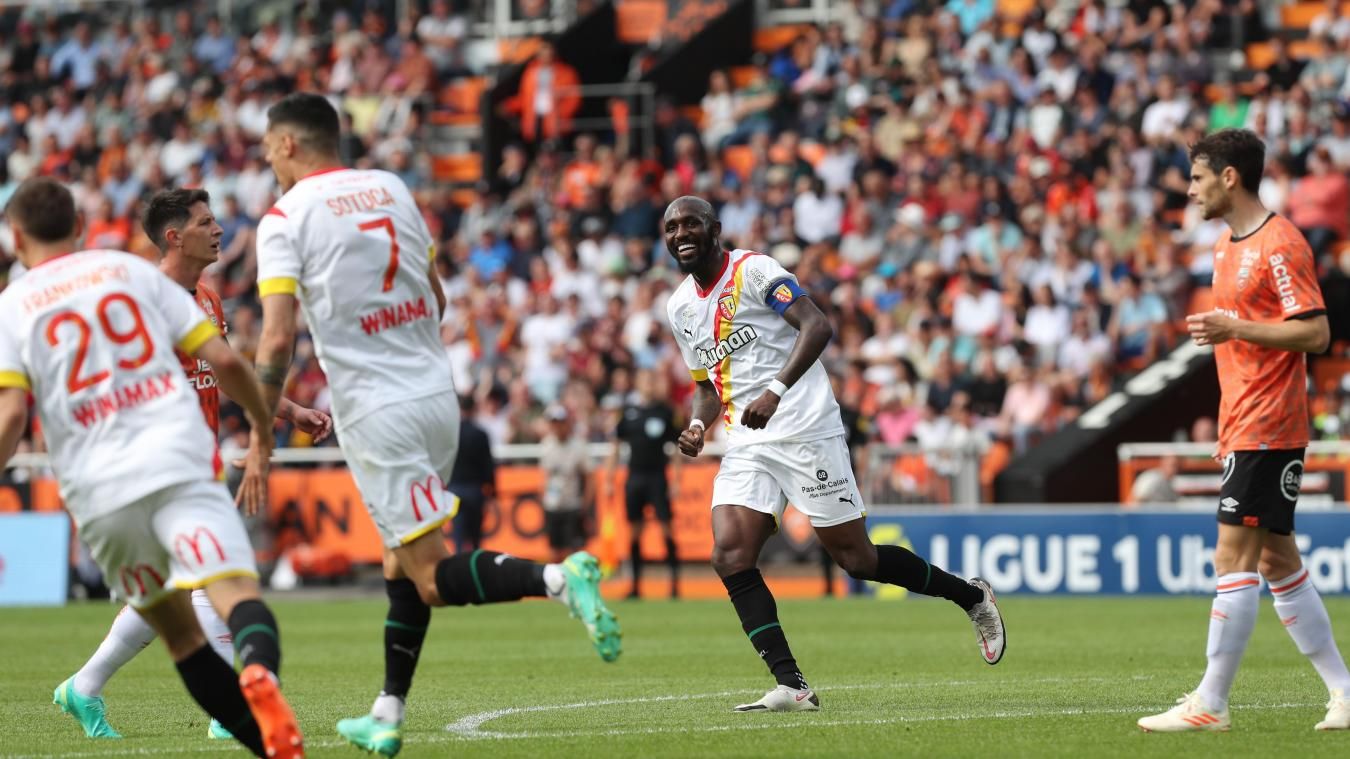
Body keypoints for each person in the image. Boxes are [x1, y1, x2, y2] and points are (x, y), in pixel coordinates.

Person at [251, 93, 620, 757]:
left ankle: (560, 579)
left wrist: (259, 431)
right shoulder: (390, 187)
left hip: (375, 407)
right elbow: (438, 295)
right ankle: (387, 710)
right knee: (400, 557)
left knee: (427, 573)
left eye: (266, 149)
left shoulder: (283, 219)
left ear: (286, 146)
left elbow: (276, 341)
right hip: (434, 393)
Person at [662, 195, 1006, 713]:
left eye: (691, 223)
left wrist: (775, 390)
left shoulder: (754, 271)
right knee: (729, 555)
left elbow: (817, 325)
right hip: (747, 440)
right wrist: (694, 425)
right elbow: (707, 386)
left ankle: (971, 597)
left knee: (857, 559)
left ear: (715, 230)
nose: (680, 233)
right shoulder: (679, 307)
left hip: (805, 429)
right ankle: (793, 685)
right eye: (670, 227)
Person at [0, 177, 303, 758]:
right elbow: (226, 362)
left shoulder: (15, 306)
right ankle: (245, 701)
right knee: (220, 588)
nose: (217, 230)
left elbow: (12, 413)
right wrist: (266, 429)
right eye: (204, 222)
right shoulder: (135, 279)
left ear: (15, 237)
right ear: (82, 228)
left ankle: (84, 686)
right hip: (175, 454)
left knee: (168, 604)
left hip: (99, 482)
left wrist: (283, 410)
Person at [1139, 128, 1350, 732]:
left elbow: (1315, 333)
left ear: (1230, 177)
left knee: (1233, 554)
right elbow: (1246, 348)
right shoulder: (1227, 247)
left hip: (1270, 423)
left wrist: (1236, 330)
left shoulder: (1280, 244)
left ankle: (1211, 700)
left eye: (1199, 177)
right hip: (1246, 422)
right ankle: (1343, 690)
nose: (1192, 189)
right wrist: (1230, 419)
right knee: (1278, 560)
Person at [606, 368, 680, 599]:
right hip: (635, 477)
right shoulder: (628, 413)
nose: (648, 383)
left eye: (651, 379)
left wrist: (676, 479)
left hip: (657, 477)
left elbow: (676, 449)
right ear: (637, 383)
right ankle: (636, 586)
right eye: (644, 379)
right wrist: (609, 478)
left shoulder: (665, 412)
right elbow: (616, 447)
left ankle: (674, 586)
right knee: (635, 532)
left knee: (666, 528)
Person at [540, 404, 593, 563]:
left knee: (573, 551)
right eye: (553, 422)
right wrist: (543, 498)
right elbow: (545, 476)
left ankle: (573, 585)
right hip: (553, 504)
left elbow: (589, 477)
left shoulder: (578, 446)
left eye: (559, 422)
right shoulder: (547, 444)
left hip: (572, 504)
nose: (556, 426)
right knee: (554, 549)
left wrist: (585, 503)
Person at [448, 393, 495, 554]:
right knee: (476, 539)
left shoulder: (450, 433)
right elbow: (488, 466)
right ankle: (474, 574)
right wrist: (492, 493)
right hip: (475, 491)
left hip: (454, 490)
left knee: (458, 539)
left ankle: (459, 577)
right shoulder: (480, 434)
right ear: (474, 409)